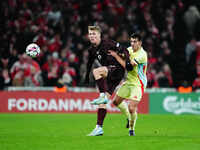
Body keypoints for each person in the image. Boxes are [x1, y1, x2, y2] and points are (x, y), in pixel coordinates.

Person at [84, 25, 130, 136]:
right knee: (102, 104)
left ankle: (102, 96)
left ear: (99, 35)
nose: (92, 36)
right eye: (90, 34)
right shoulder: (92, 49)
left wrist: (127, 62)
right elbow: (89, 63)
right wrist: (86, 76)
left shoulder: (108, 43)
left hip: (117, 69)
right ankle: (99, 128)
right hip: (110, 75)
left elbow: (124, 49)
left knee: (97, 71)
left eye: (94, 34)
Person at [109, 33, 147, 136]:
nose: (132, 44)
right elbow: (121, 56)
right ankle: (128, 117)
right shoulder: (129, 50)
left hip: (138, 84)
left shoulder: (142, 55)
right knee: (115, 102)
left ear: (140, 43)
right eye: (131, 41)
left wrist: (116, 56)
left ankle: (131, 129)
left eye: (135, 42)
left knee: (131, 108)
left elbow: (129, 67)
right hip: (128, 81)